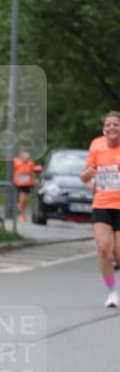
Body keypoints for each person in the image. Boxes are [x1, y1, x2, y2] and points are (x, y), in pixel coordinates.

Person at [81, 110, 120, 309]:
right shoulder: (96, 145)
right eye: (108, 125)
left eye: (116, 124)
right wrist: (87, 176)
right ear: (104, 128)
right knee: (104, 249)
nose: (112, 127)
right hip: (102, 204)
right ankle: (112, 293)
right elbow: (86, 177)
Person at [13, 147, 37, 222]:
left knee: (26, 200)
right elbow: (13, 171)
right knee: (22, 200)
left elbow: (33, 172)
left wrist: (34, 181)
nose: (24, 154)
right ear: (19, 154)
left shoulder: (31, 163)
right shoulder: (16, 161)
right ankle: (22, 215)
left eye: (25, 153)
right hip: (19, 184)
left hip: (28, 184)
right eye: (22, 153)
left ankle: (20, 211)